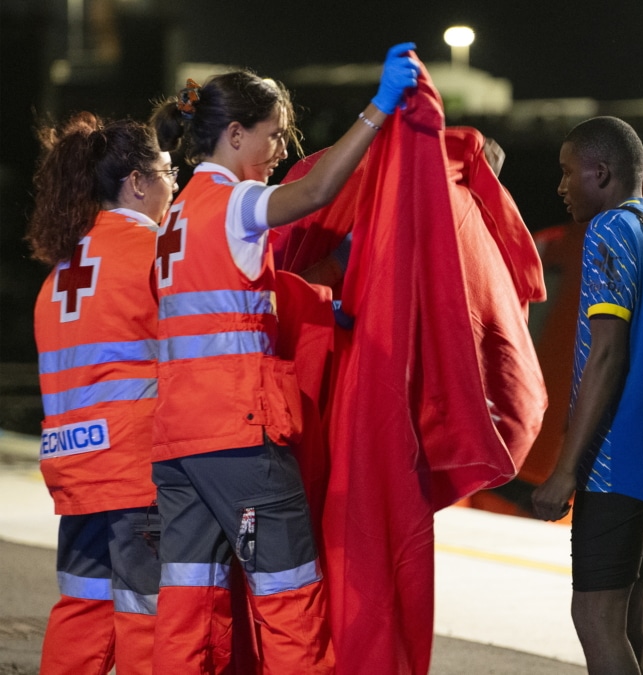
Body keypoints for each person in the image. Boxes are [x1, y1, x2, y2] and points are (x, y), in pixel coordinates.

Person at [146, 44, 418, 674]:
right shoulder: (236, 205)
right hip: (239, 436)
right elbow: (320, 190)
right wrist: (380, 108)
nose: (277, 154)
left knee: (187, 604)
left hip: (178, 440)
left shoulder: (176, 215)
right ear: (234, 133)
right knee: (288, 594)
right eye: (271, 136)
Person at [531, 116, 643, 674]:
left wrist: (565, 470)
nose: (560, 186)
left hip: (615, 464)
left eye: (566, 171)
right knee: (627, 622)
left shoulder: (608, 231)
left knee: (596, 619)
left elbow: (608, 354)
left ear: (600, 172)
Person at [28, 113, 176, 675]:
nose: (175, 183)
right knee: (150, 616)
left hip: (74, 465)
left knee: (82, 609)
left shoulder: (63, 267)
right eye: (167, 171)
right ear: (137, 182)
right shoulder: (158, 253)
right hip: (135, 468)